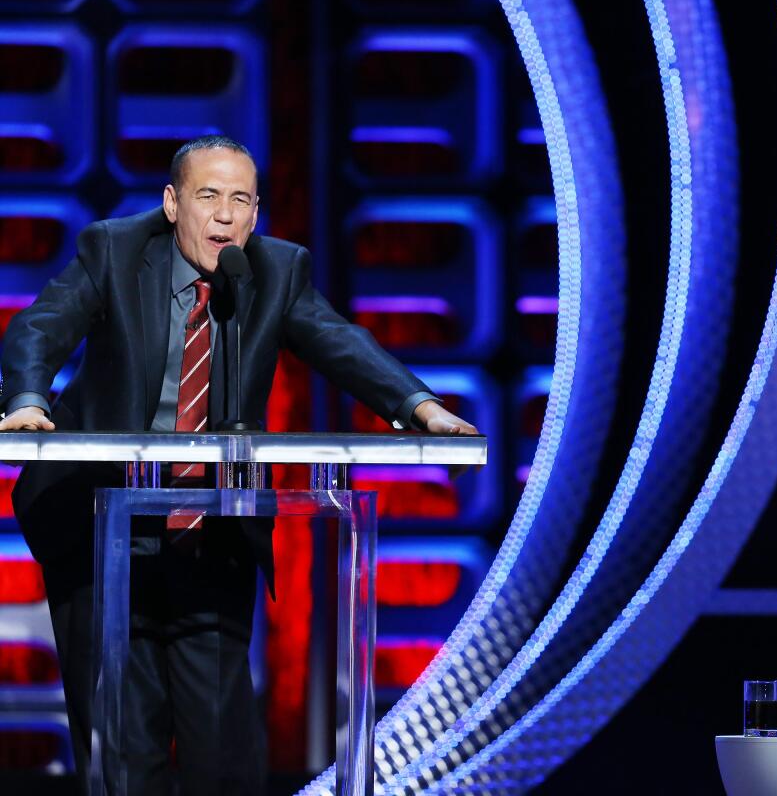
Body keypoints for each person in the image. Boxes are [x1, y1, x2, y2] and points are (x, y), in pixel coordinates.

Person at [0, 135, 478, 795]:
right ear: (172, 203)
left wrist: (423, 410)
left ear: (255, 215)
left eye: (240, 200)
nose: (224, 215)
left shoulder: (275, 271)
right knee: (123, 753)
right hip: (98, 536)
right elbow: (38, 328)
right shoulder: (113, 249)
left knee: (224, 754)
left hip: (209, 537)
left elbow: (341, 342)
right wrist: (28, 402)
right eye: (208, 196)